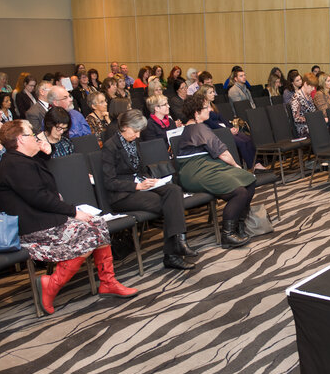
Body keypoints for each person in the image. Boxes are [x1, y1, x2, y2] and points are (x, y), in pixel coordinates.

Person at [0, 120, 136, 314]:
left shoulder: (22, 160)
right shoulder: (13, 165)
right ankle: (53, 284)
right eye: (32, 135)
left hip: (45, 219)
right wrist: (73, 212)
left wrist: (45, 152)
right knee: (89, 232)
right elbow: (39, 197)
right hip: (34, 228)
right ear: (21, 139)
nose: (36, 138)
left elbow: (38, 180)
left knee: (97, 223)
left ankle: (107, 282)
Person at [101, 110, 196, 270]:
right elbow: (109, 182)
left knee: (174, 190)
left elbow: (140, 170)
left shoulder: (134, 142)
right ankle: (174, 251)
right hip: (122, 195)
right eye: (135, 131)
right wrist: (137, 186)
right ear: (124, 127)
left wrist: (149, 180)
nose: (138, 135)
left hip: (141, 186)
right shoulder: (110, 147)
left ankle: (179, 243)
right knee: (169, 204)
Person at [178, 93, 257, 248]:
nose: (210, 109)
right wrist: (236, 166)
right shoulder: (199, 128)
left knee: (249, 180)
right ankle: (228, 234)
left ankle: (239, 226)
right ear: (196, 113)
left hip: (205, 167)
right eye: (206, 107)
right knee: (240, 192)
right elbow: (222, 153)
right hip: (196, 171)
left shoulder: (194, 127)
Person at [200, 86, 263, 169]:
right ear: (204, 94)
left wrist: (232, 128)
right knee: (241, 143)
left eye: (213, 92)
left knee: (248, 139)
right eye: (210, 93)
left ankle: (256, 163)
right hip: (218, 132)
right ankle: (251, 166)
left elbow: (222, 119)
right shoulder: (202, 108)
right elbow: (211, 124)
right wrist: (227, 130)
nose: (213, 94)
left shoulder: (212, 105)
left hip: (226, 129)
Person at [290, 73, 319, 137]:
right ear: (305, 84)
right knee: (321, 129)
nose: (313, 89)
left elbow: (313, 111)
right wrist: (311, 119)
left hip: (312, 124)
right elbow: (296, 118)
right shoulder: (296, 97)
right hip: (303, 128)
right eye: (312, 86)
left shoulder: (309, 96)